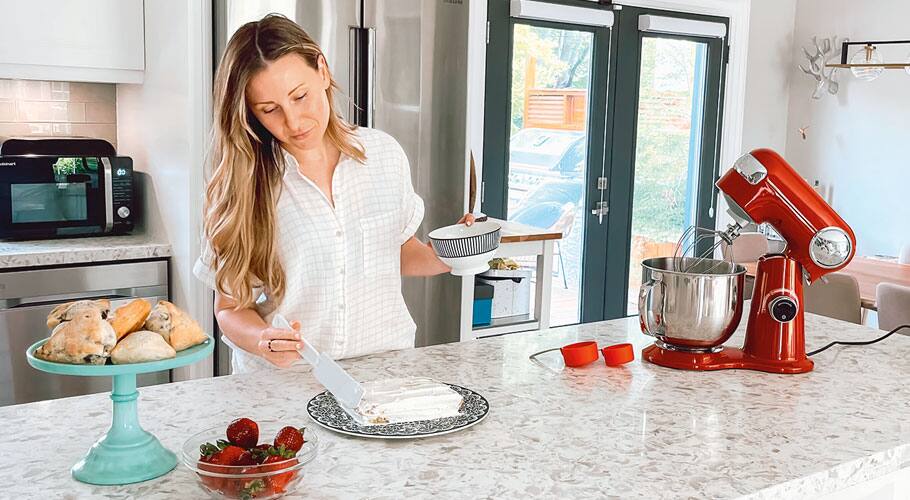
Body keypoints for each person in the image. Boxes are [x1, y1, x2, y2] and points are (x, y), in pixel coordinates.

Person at [193, 14, 472, 373]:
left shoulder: (383, 155)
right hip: (288, 382)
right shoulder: (244, 186)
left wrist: (450, 253)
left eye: (300, 96)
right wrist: (262, 339)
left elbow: (397, 250)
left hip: (383, 371)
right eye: (270, 110)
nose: (293, 122)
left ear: (322, 70)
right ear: (250, 113)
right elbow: (230, 307)